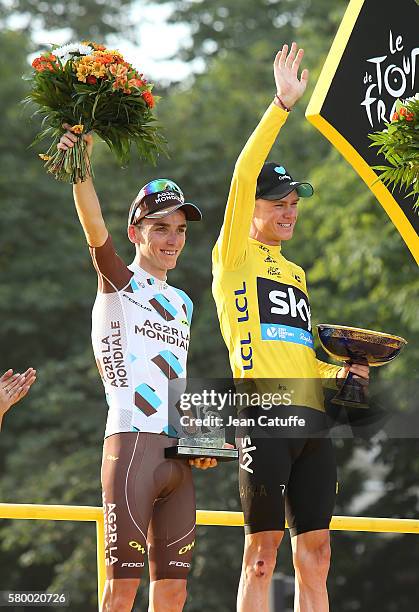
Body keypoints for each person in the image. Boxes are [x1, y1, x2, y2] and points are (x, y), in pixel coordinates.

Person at [212, 43, 369, 612]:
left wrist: (345, 369)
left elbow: (298, 353)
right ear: (250, 208)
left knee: (319, 552)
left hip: (311, 415)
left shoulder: (296, 272)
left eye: (294, 201)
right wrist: (281, 105)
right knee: (261, 553)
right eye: (278, 201)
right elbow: (243, 170)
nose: (289, 209)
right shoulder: (234, 255)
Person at [57, 129, 218, 612]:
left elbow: (175, 382)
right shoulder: (120, 281)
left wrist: (198, 441)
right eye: (160, 228)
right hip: (131, 445)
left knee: (174, 592)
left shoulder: (184, 301)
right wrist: (80, 166)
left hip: (177, 457)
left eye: (180, 229)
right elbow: (93, 225)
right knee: (120, 591)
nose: (172, 239)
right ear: (135, 234)